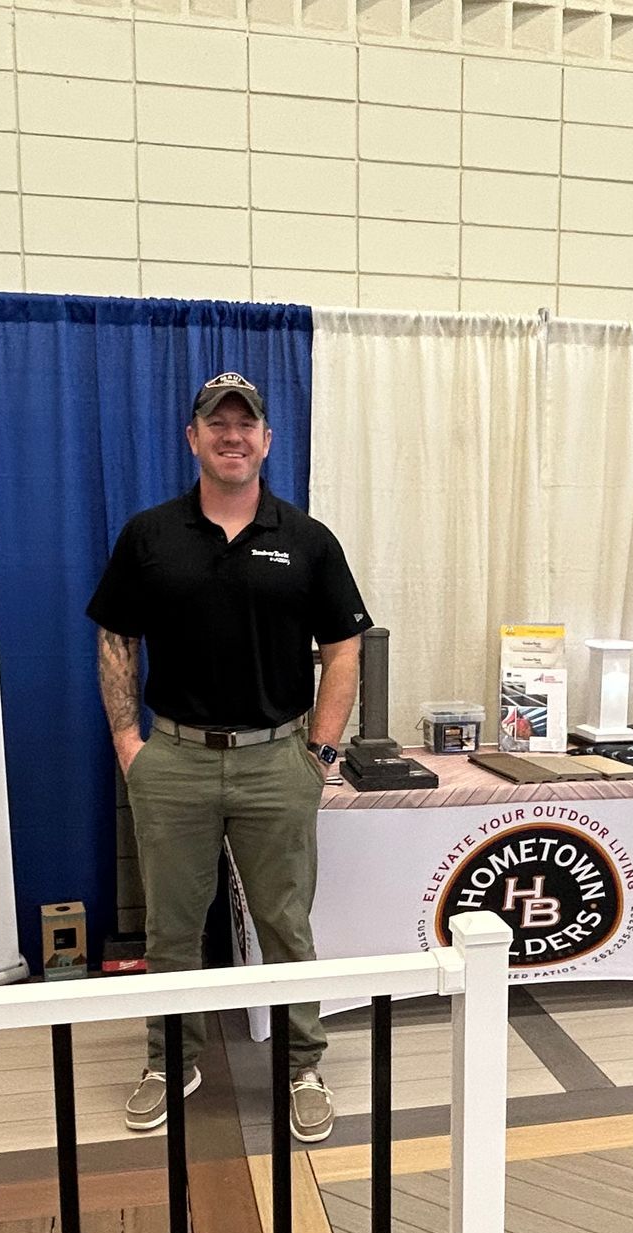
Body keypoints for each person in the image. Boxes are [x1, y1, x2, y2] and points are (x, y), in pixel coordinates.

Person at [87, 371, 372, 1142]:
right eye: (218, 423)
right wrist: (128, 743)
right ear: (194, 438)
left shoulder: (307, 540)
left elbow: (343, 647)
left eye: (247, 424)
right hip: (172, 760)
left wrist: (320, 750)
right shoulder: (150, 535)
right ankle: (170, 1058)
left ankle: (301, 1065)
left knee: (285, 925)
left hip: (277, 761)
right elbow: (116, 636)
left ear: (267, 441)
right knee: (171, 929)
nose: (233, 435)